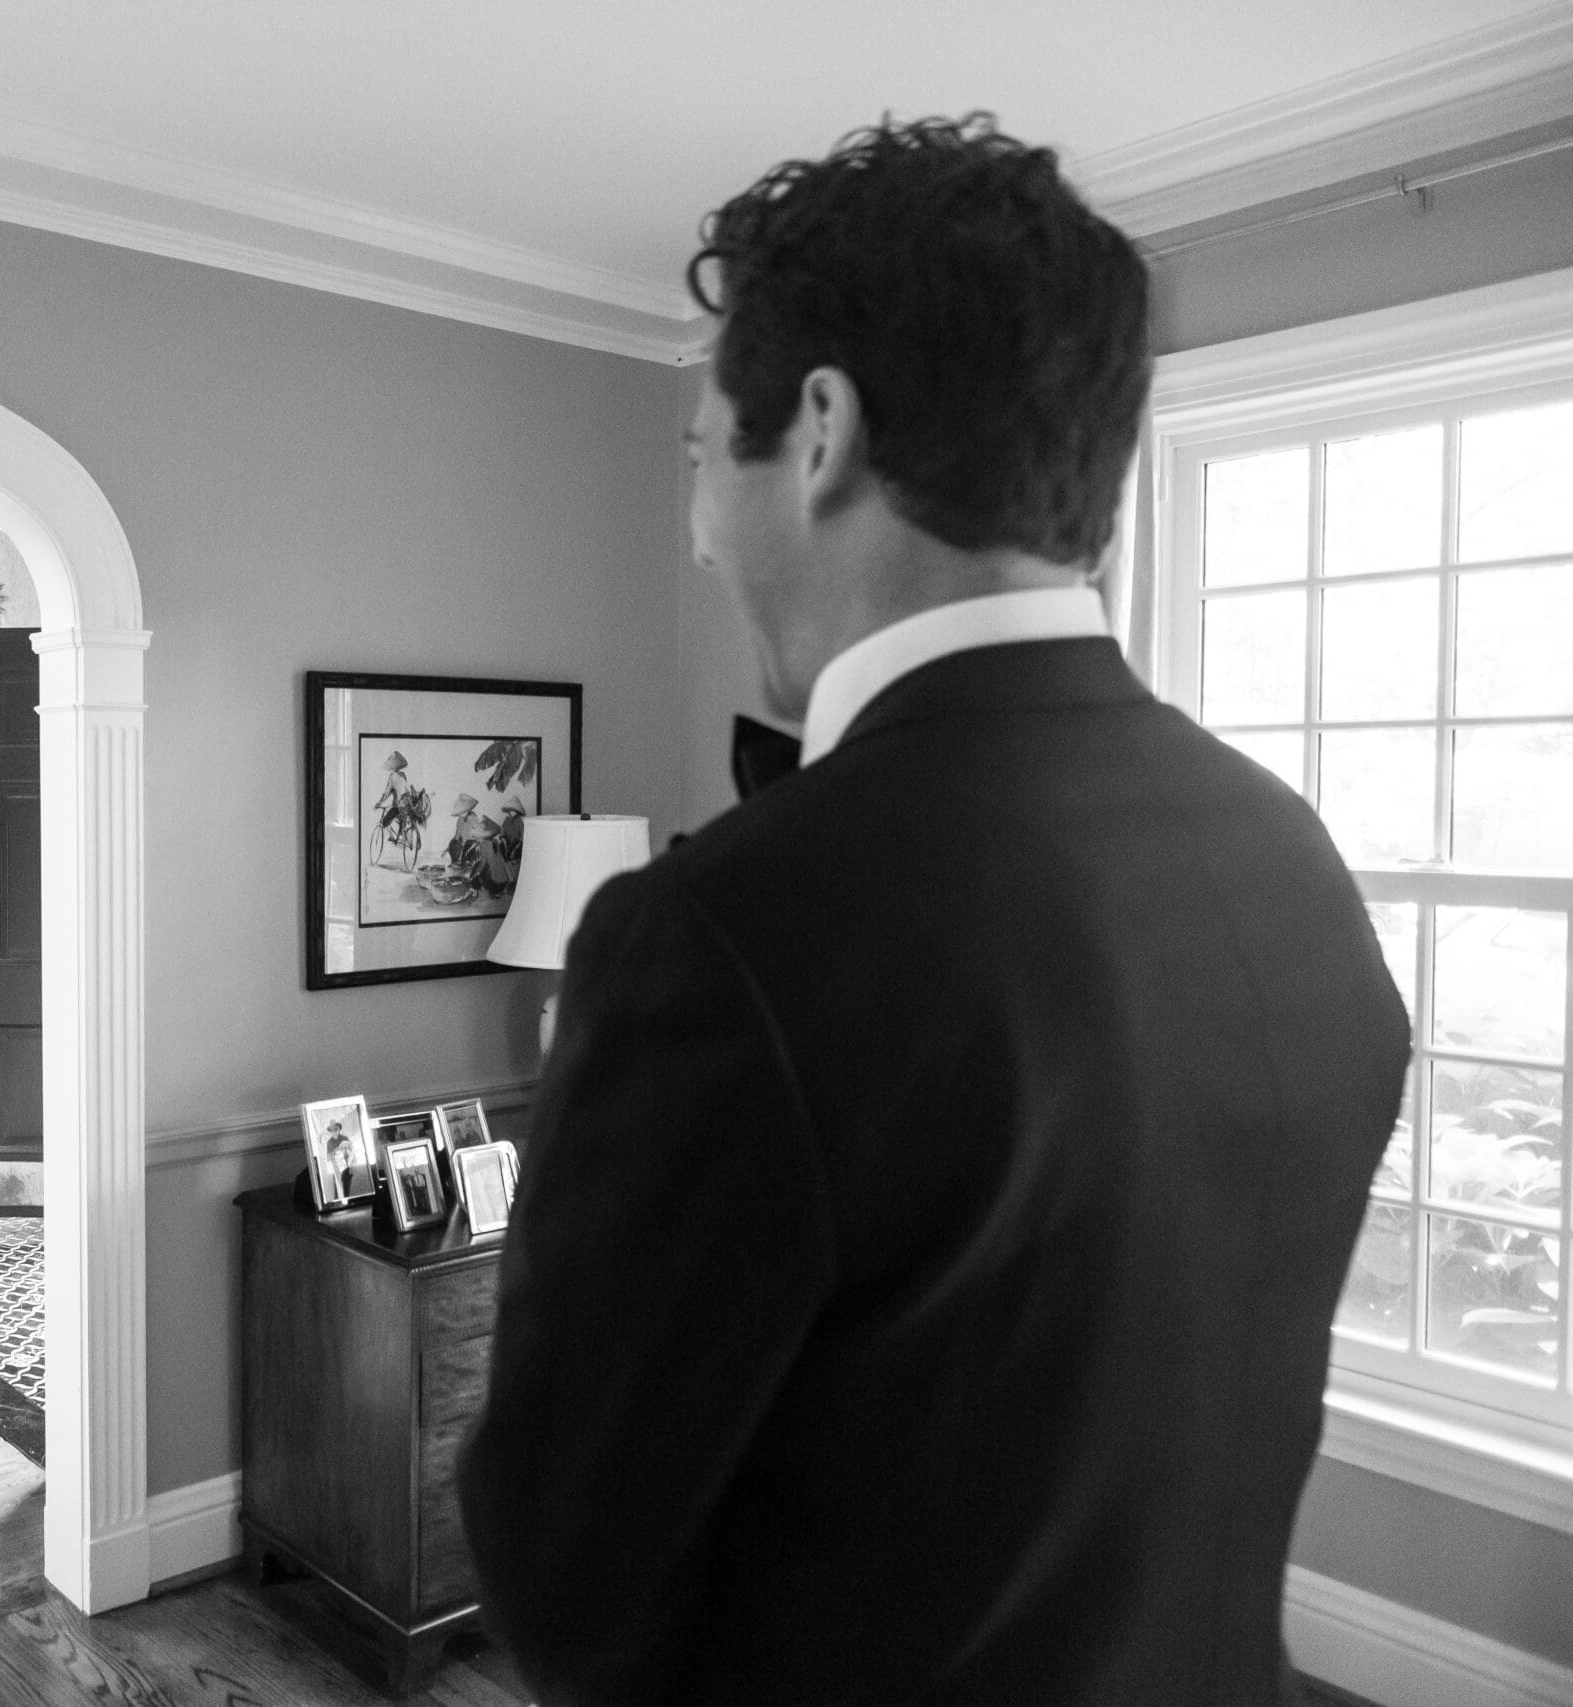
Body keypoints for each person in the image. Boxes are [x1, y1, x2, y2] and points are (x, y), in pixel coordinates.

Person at [458, 116, 1411, 1707]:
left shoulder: (723, 933)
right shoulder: (1289, 853)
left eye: (699, 458)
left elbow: (564, 1571)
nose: (695, 530)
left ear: (819, 429)